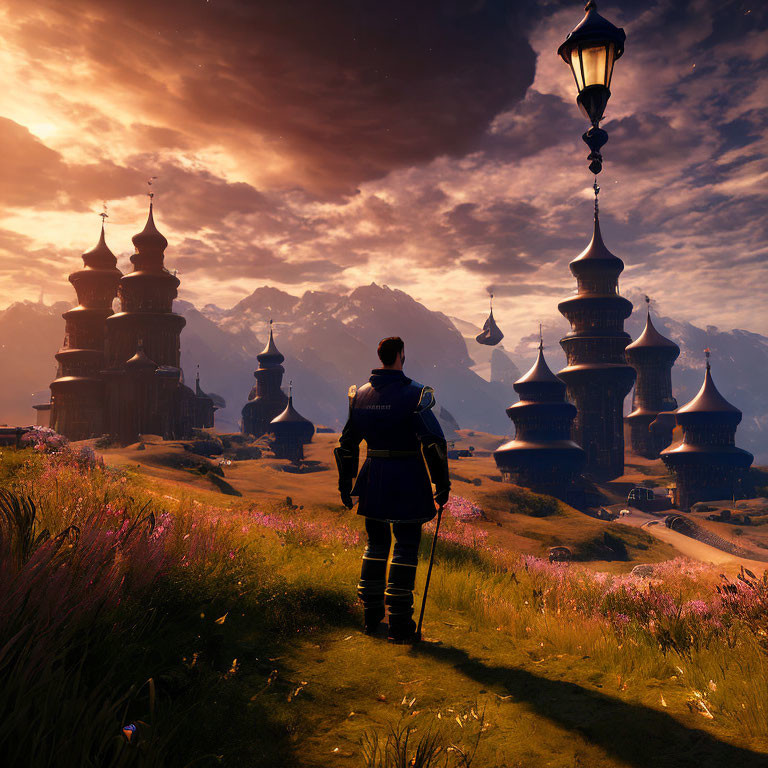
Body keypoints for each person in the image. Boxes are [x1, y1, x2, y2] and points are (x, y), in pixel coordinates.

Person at [334, 337, 450, 643]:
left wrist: (345, 484)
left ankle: (371, 618)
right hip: (408, 477)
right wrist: (441, 484)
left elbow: (346, 444)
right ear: (401, 356)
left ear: (380, 356)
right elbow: (434, 442)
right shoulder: (415, 395)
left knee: (376, 545)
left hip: (373, 477)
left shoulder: (359, 396)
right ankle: (399, 625)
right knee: (406, 546)